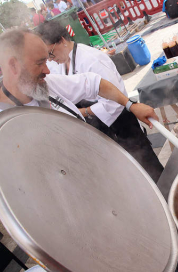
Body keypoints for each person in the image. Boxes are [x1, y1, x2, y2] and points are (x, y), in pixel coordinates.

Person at [0, 28, 162, 180]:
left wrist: (130, 105)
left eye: (47, 59)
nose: (48, 70)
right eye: (39, 63)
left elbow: (94, 83)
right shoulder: (4, 128)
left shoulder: (44, 83)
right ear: (13, 65)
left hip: (102, 162)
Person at [37, 21, 164, 182]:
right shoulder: (57, 65)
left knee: (150, 172)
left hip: (121, 125)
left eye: (50, 53)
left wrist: (84, 112)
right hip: (98, 130)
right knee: (126, 179)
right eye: (46, 57)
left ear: (62, 40)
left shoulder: (92, 59)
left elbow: (115, 101)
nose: (50, 60)